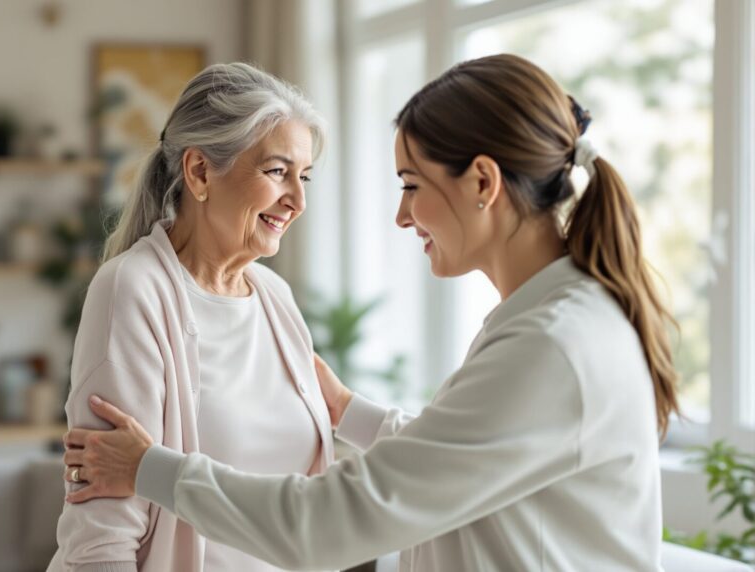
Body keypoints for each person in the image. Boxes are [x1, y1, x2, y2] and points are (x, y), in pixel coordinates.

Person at [60, 54, 681, 571]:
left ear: (483, 183)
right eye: (278, 172)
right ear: (199, 171)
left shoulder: (552, 344)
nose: (402, 216)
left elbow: (331, 521)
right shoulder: (553, 323)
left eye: (411, 185)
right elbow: (455, 459)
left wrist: (149, 469)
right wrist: (347, 410)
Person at [47, 62, 337, 572]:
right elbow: (101, 539)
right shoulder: (132, 289)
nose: (298, 200)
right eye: (277, 172)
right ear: (200, 171)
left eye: (305, 176)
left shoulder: (276, 299)